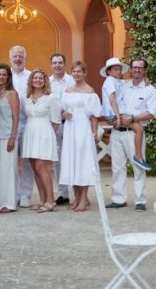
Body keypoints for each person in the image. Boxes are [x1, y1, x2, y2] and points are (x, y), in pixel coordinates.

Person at [107, 58, 156, 211]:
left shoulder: (150, 90)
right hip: (117, 132)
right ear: (130, 69)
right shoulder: (123, 85)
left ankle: (140, 201)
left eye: (140, 68)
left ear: (145, 70)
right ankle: (118, 199)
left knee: (138, 166)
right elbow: (110, 95)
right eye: (134, 67)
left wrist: (132, 119)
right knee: (117, 167)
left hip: (134, 133)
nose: (137, 70)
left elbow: (152, 113)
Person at [59, 61, 102, 212]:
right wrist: (64, 114)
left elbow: (95, 115)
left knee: (83, 162)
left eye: (79, 71)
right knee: (72, 162)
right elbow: (62, 109)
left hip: (83, 129)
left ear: (84, 73)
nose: (76, 74)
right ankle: (76, 197)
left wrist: (95, 134)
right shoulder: (67, 91)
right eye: (74, 72)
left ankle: (84, 199)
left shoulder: (90, 92)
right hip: (70, 128)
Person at [21, 69, 61, 212]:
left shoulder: (51, 98)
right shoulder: (26, 97)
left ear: (45, 81)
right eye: (35, 78)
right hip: (30, 132)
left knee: (41, 167)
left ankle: (51, 201)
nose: (37, 80)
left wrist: (47, 136)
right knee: (35, 169)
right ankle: (43, 200)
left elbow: (56, 121)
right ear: (31, 80)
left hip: (44, 133)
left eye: (40, 78)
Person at [0, 64, 19, 212]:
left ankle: (9, 203)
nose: (1, 77)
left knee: (8, 170)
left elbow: (16, 117)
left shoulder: (12, 94)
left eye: (4, 75)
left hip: (7, 136)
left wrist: (13, 137)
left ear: (8, 77)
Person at [9, 44, 34, 206]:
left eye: (20, 56)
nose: (17, 59)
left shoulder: (32, 76)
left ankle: (25, 195)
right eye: (15, 56)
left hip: (28, 124)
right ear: (10, 58)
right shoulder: (4, 75)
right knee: (10, 162)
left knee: (27, 162)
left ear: (25, 58)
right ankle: (12, 193)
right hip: (8, 126)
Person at [49, 53, 74, 204]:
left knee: (72, 157)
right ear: (51, 65)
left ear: (64, 64)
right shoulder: (47, 82)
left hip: (70, 123)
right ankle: (62, 193)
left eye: (60, 62)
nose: (57, 65)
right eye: (54, 63)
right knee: (57, 159)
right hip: (53, 125)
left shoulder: (72, 80)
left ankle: (78, 192)